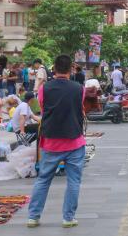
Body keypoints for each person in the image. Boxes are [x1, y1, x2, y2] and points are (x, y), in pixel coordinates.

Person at [28, 54, 85, 229]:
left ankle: (33, 217)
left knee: (43, 179)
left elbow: (43, 108)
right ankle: (68, 218)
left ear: (54, 70)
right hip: (74, 140)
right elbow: (79, 108)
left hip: (51, 141)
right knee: (73, 181)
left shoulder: (44, 89)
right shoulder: (79, 88)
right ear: (71, 70)